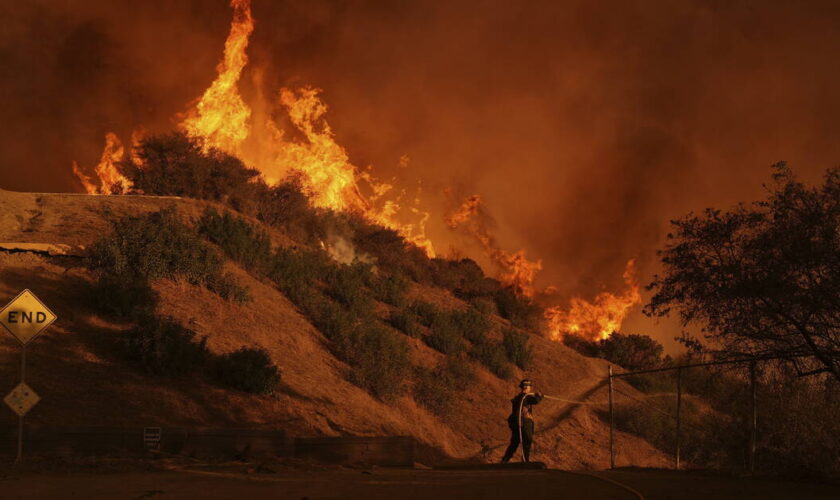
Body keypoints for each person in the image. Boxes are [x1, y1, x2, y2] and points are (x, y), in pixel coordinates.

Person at [501, 378, 544, 463]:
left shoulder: (518, 397)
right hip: (524, 421)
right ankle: (525, 460)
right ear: (528, 387)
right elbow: (535, 400)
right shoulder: (525, 396)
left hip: (516, 422)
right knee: (527, 440)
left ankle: (505, 459)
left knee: (515, 442)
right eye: (527, 386)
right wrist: (539, 396)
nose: (527, 388)